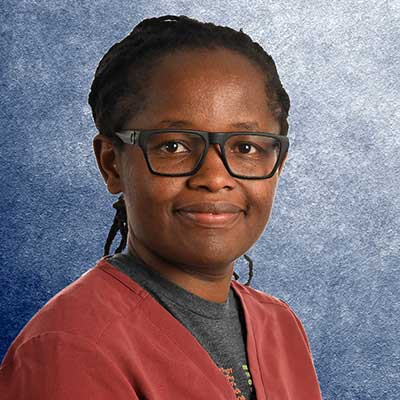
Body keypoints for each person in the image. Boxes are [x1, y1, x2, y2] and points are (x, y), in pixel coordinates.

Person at [0, 15, 322, 400]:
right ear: (112, 163)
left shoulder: (281, 327)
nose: (214, 177)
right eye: (173, 146)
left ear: (278, 163)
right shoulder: (68, 350)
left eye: (245, 147)